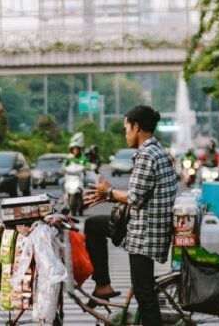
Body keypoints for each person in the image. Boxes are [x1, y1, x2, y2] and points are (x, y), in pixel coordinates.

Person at [83, 105, 178, 325]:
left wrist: (108, 193)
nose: (125, 134)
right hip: (147, 225)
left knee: (145, 294)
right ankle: (103, 285)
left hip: (145, 232)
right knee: (94, 225)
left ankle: (103, 284)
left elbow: (134, 198)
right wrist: (109, 195)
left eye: (126, 129)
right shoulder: (157, 151)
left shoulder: (146, 155)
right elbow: (139, 194)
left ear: (137, 127)